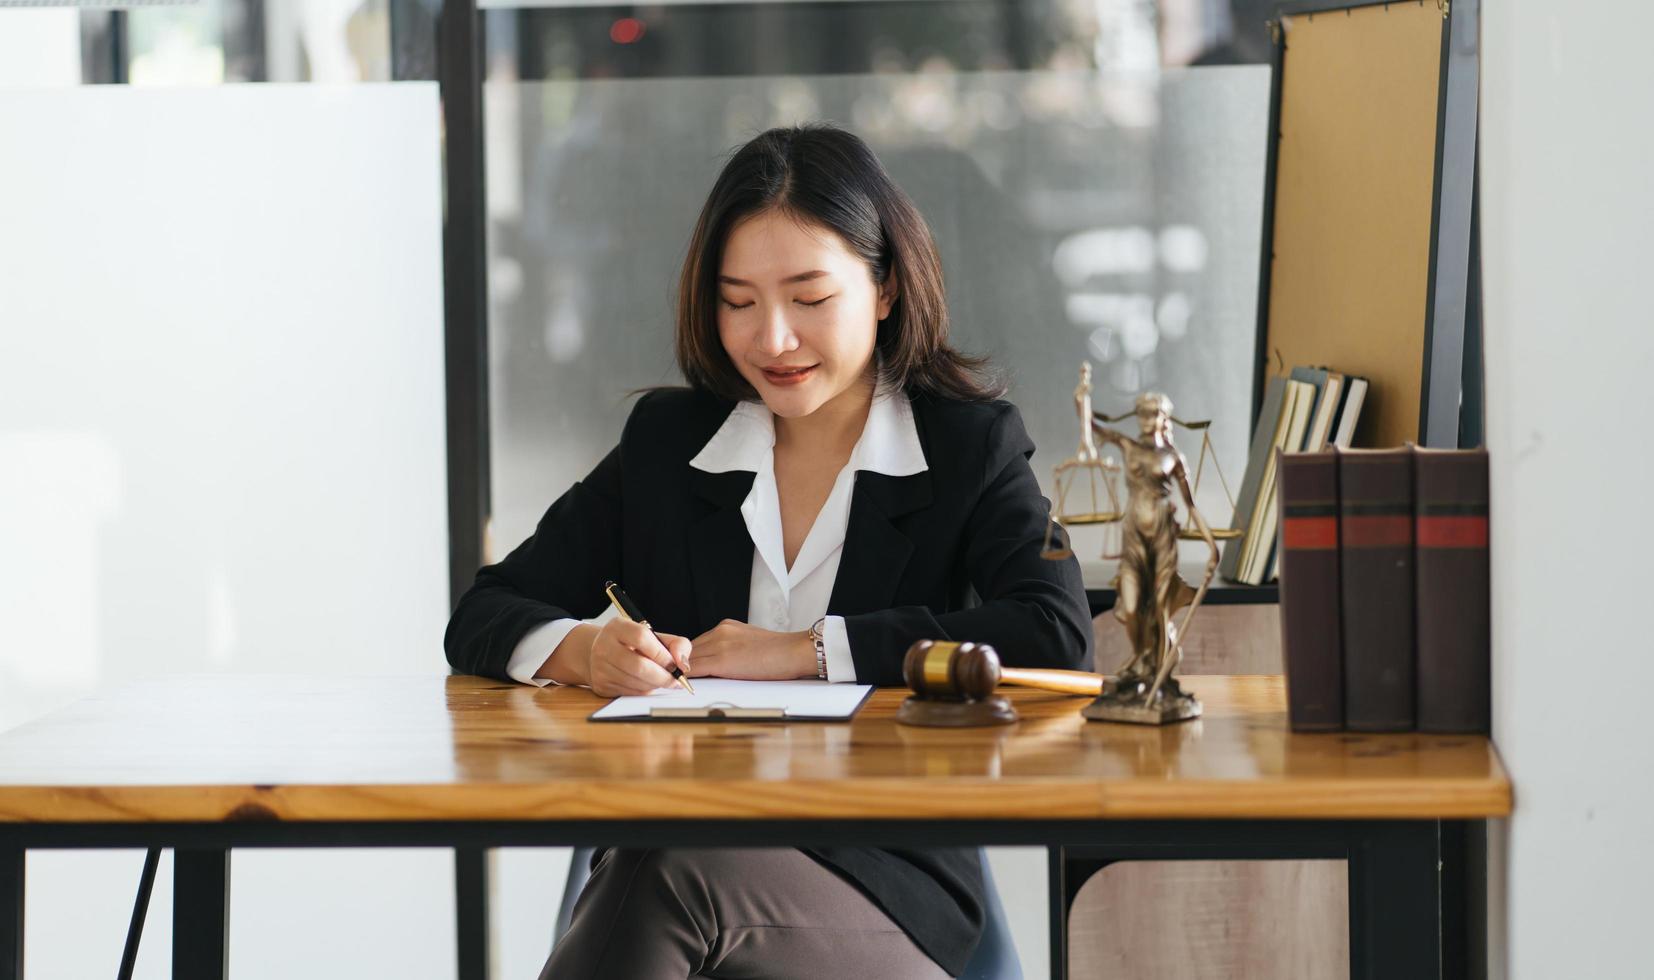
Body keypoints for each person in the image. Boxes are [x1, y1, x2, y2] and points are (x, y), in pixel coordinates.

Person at [444, 123, 1093, 979]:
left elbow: (1054, 631)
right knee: (663, 864)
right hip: (673, 854)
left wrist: (807, 651)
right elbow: (484, 613)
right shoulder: (670, 444)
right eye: (738, 301)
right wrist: (586, 651)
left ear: (886, 287)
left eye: (810, 298)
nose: (772, 339)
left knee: (666, 874)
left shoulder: (967, 446)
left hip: (884, 886)